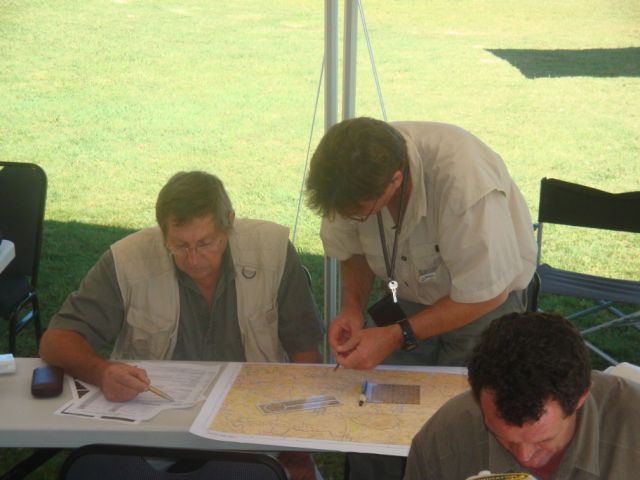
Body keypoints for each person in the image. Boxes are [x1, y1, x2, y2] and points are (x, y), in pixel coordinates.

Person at [40, 171, 324, 480]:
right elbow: (56, 341)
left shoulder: (272, 251)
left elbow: (305, 354)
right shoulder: (127, 260)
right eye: (179, 245)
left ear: (229, 223)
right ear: (162, 233)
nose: (193, 259)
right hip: (151, 430)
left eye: (205, 243)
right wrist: (102, 371)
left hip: (249, 427)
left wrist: (297, 449)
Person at [305, 117, 537, 479]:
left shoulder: (465, 182)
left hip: (484, 305)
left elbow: (487, 292)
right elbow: (352, 250)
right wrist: (352, 307)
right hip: (409, 295)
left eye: (361, 212)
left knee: (469, 418)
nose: (354, 218)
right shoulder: (345, 180)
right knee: (373, 409)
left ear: (395, 181)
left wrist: (395, 335)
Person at [405, 311, 640, 480]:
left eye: (543, 441)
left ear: (582, 396)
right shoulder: (444, 439)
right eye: (504, 439)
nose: (525, 457)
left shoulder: (633, 426)